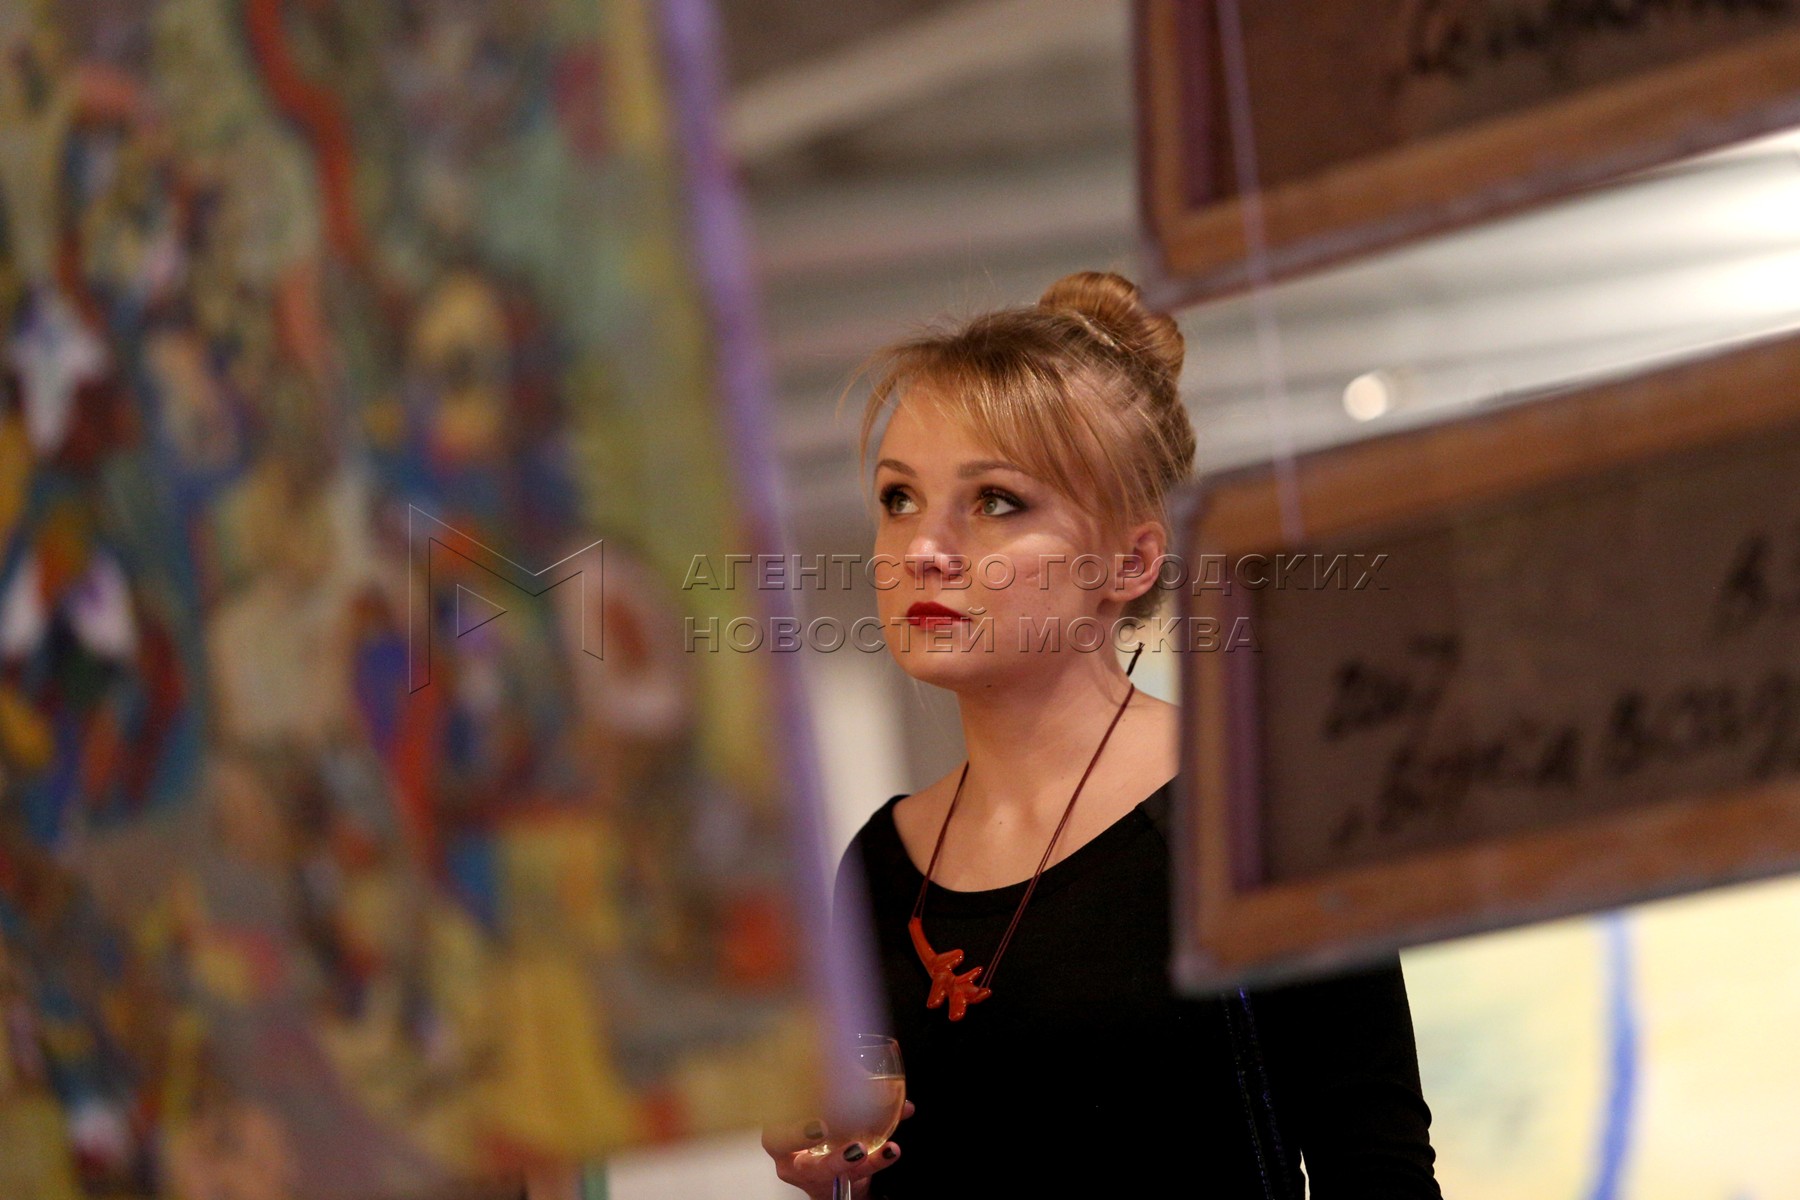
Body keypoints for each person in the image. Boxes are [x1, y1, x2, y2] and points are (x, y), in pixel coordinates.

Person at [762, 272, 1442, 1198]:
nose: (924, 548)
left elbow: (1379, 1171)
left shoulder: (1256, 807)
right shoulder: (879, 867)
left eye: (996, 502)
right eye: (898, 498)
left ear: (1130, 560)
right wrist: (835, 1178)